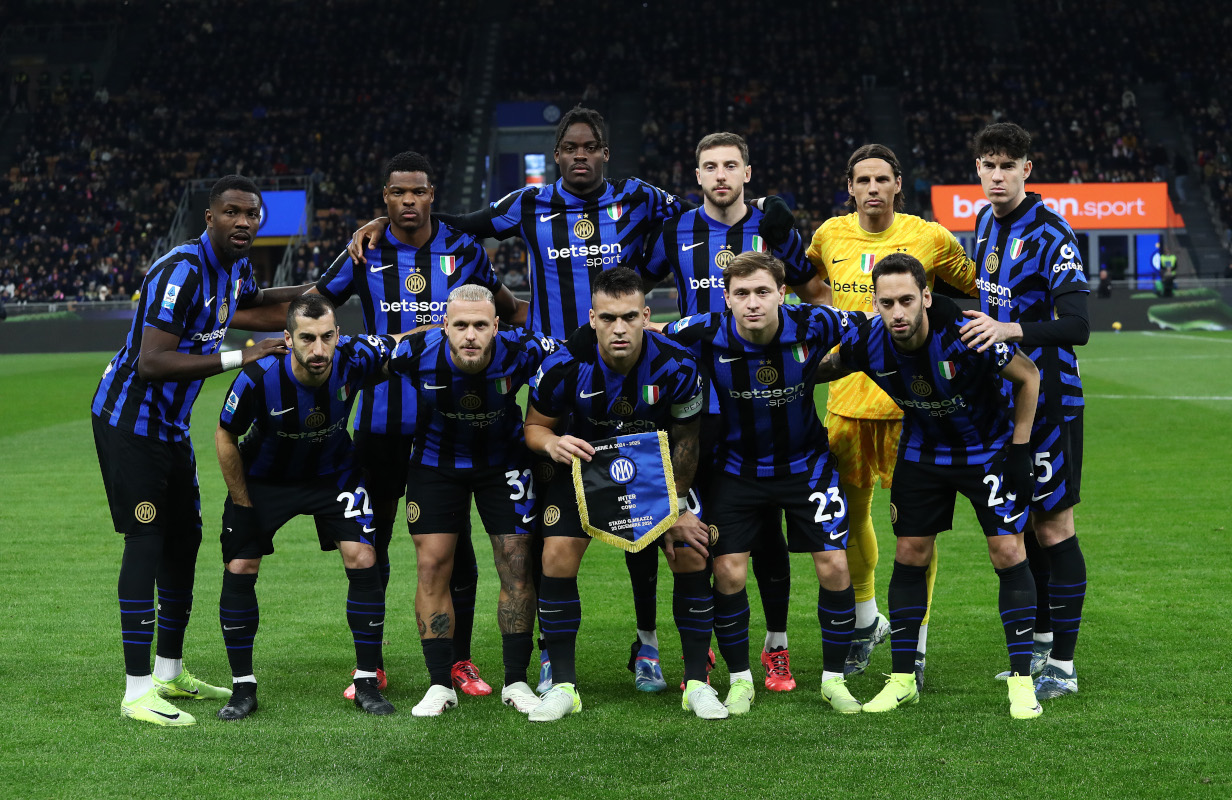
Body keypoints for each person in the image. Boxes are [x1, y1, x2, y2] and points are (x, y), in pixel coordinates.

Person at [347, 108, 750, 692]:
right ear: (556, 154)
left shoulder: (643, 199)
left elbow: (708, 215)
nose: (580, 155)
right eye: (569, 147)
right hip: (558, 382)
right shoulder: (530, 204)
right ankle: (547, 654)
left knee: (653, 515)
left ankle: (652, 645)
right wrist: (384, 221)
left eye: (590, 147)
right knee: (540, 533)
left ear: (605, 152)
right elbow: (463, 219)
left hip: (634, 371)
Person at [90, 175, 310, 726]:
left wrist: (317, 291)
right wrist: (243, 356)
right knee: (146, 538)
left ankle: (169, 671)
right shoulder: (181, 270)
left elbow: (254, 305)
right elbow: (152, 361)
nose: (243, 222)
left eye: (251, 214)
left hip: (168, 427)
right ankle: (137, 690)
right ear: (208, 218)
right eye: (231, 212)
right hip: (128, 422)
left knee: (185, 539)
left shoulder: (236, 268)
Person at [313, 151, 525, 699]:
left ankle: (459, 662)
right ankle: (371, 666)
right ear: (385, 197)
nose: (409, 202)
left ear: (433, 195)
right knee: (372, 545)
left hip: (454, 425)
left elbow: (508, 312)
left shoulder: (463, 249)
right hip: (382, 426)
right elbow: (316, 307)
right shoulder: (365, 250)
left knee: (458, 551)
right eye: (398, 194)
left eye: (419, 192)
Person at [817, 252, 1044, 719]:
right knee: (910, 554)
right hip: (922, 451)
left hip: (986, 450)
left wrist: (1020, 449)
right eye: (886, 303)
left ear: (925, 296)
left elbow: (1029, 376)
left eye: (905, 300)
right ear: (875, 304)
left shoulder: (967, 334)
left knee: (1008, 552)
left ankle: (1022, 681)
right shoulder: (869, 341)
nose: (896, 313)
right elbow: (819, 367)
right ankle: (903, 679)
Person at [662, 251, 867, 716]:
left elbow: (877, 328)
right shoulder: (703, 330)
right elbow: (648, 336)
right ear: (727, 299)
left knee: (835, 566)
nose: (752, 303)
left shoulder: (815, 323)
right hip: (736, 470)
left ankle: (834, 680)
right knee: (729, 570)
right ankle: (739, 681)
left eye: (761, 292)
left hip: (806, 466)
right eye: (741, 294)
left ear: (781, 293)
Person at [805, 144, 978, 689]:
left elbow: (971, 288)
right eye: (864, 180)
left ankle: (916, 646)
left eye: (883, 179)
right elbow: (808, 284)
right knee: (848, 520)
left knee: (915, 532)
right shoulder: (828, 235)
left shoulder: (930, 237)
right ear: (850, 186)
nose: (873, 188)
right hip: (847, 403)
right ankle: (865, 621)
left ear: (898, 184)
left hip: (913, 407)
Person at [524, 267, 719, 721]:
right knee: (556, 555)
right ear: (592, 318)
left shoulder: (678, 362)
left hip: (655, 473)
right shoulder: (562, 365)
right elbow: (534, 426)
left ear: (646, 316)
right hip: (585, 472)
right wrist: (552, 443)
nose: (619, 328)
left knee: (691, 549)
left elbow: (687, 440)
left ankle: (696, 684)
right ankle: (564, 685)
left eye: (629, 317)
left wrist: (679, 507)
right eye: (608, 318)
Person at [214, 294, 398, 719]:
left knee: (363, 556)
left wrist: (452, 326)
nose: (319, 350)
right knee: (241, 567)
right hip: (264, 480)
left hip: (334, 475)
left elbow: (404, 340)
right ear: (287, 338)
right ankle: (243, 689)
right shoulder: (258, 377)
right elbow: (225, 435)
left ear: (338, 335)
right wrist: (243, 505)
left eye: (327, 337)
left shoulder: (355, 358)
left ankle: (367, 680)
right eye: (308, 338)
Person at [959, 122, 1090, 701]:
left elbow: (1079, 325)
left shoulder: (1051, 231)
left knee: (1054, 526)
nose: (996, 175)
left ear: (1026, 169)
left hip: (1053, 403)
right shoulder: (984, 224)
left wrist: (1010, 327)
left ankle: (1063, 664)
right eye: (988, 164)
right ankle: (1038, 644)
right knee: (1024, 527)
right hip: (1004, 402)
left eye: (1007, 165)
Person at [383, 284, 556, 717]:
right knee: (431, 566)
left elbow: (575, 358)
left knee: (517, 563)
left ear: (497, 327)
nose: (471, 335)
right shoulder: (413, 353)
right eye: (460, 325)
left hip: (504, 462)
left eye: (481, 325)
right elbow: (351, 358)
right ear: (444, 327)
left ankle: (516, 681)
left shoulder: (525, 348)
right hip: (435, 464)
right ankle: (440, 684)